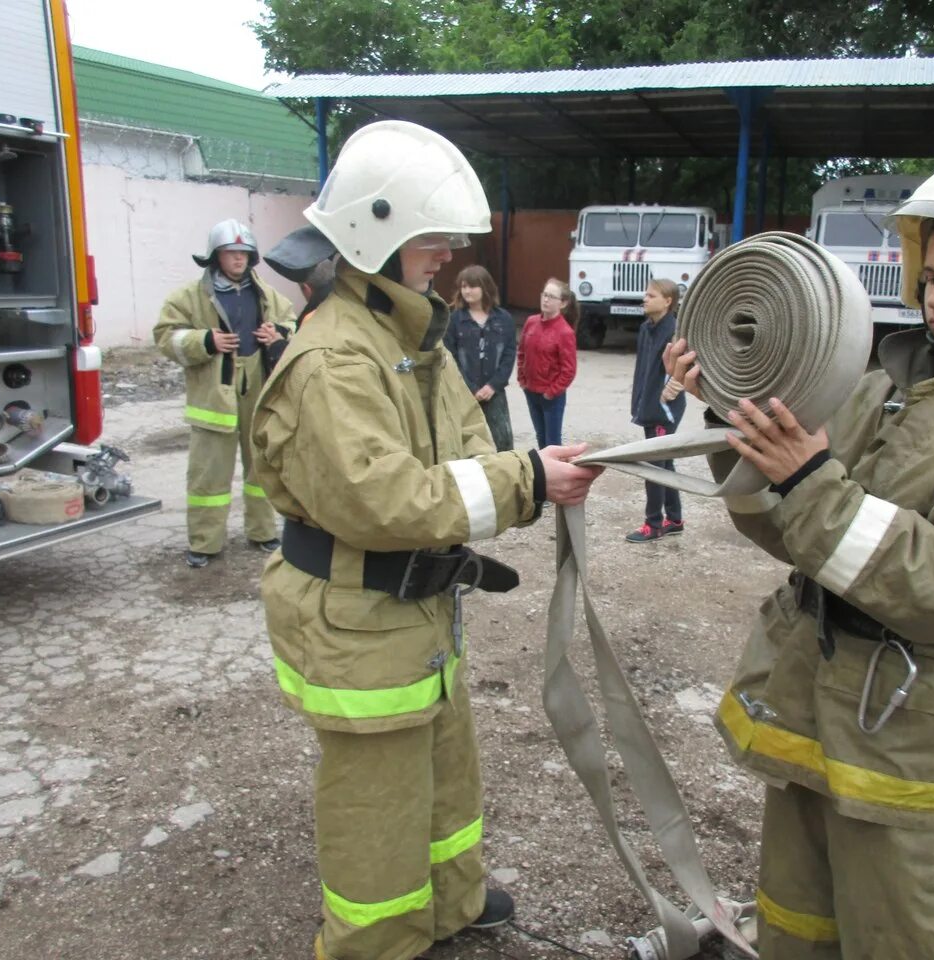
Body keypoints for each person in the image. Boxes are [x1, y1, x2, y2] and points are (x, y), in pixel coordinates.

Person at [664, 153, 934, 960]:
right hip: (813, 706)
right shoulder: (883, 387)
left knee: (901, 941)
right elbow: (789, 531)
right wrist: (729, 408)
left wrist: (812, 481)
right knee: (796, 927)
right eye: (930, 272)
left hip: (904, 737)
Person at [248, 120, 601, 960]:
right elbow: (383, 499)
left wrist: (526, 465)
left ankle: (451, 902)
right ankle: (378, 943)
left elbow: (466, 444)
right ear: (377, 232)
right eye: (430, 236)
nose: (445, 253)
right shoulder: (337, 358)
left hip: (415, 611)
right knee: (378, 800)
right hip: (361, 619)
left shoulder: (410, 337)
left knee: (444, 771)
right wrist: (526, 483)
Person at [152, 218, 296, 568]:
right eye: (231, 253)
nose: (238, 260)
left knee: (261, 466)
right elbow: (165, 336)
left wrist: (277, 332)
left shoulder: (267, 295)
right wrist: (205, 340)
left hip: (258, 388)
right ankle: (204, 543)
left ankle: (263, 532)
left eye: (244, 254)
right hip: (214, 396)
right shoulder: (189, 297)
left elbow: (292, 323)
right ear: (215, 256)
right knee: (208, 473)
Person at [625, 278, 686, 543]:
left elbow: (688, 365)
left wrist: (671, 391)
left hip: (664, 410)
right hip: (648, 405)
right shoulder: (645, 328)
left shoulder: (675, 332)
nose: (644, 298)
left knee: (654, 466)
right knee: (665, 463)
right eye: (645, 294)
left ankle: (654, 524)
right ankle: (675, 519)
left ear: (668, 301)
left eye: (651, 295)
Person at [443, 265, 517, 451]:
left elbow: (509, 355)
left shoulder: (504, 319)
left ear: (485, 287)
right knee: (462, 441)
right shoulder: (455, 320)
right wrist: (471, 388)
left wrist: (493, 386)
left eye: (472, 286)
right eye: (463, 286)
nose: (467, 291)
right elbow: (450, 357)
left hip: (494, 391)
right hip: (464, 392)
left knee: (505, 441)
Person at [516, 277, 577, 448]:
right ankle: (545, 471)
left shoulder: (565, 332)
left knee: (552, 441)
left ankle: (557, 472)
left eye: (551, 296)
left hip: (551, 396)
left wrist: (551, 392)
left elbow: (569, 370)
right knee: (540, 436)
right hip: (531, 390)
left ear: (562, 303)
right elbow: (521, 352)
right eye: (544, 294)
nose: (546, 299)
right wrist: (522, 379)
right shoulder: (531, 322)